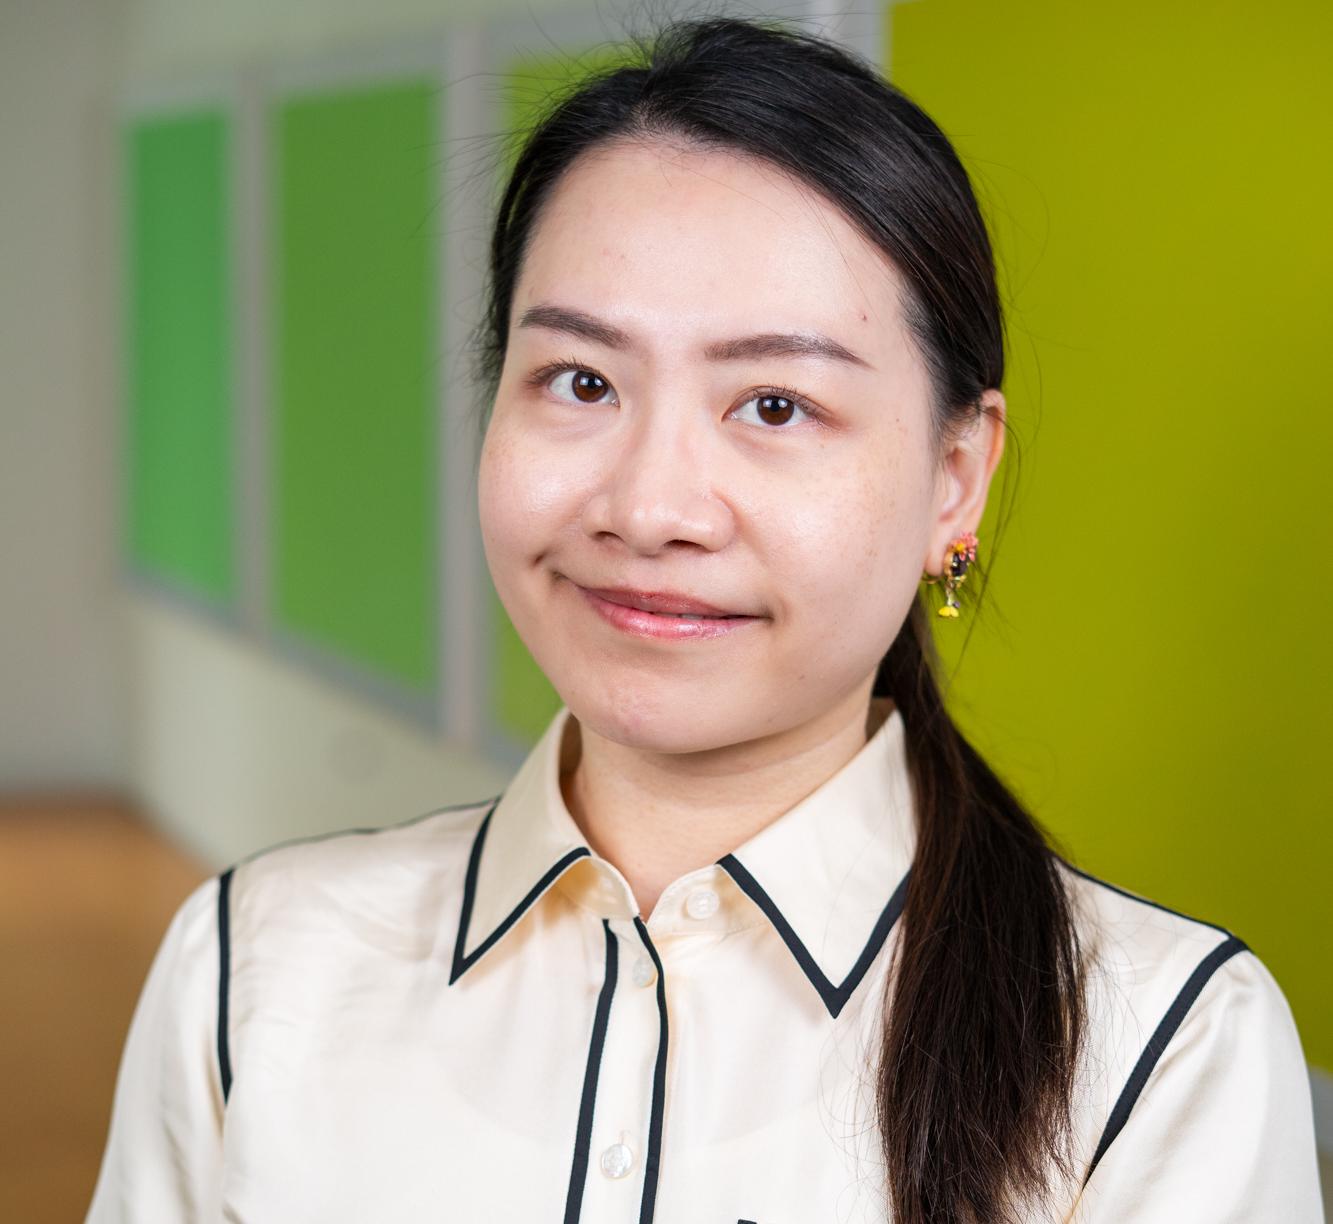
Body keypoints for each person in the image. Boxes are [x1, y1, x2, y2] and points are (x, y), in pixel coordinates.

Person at [87, 16, 1323, 1223]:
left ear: (954, 477)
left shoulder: (1162, 1055)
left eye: (774, 405)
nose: (648, 508)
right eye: (581, 381)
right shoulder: (253, 970)